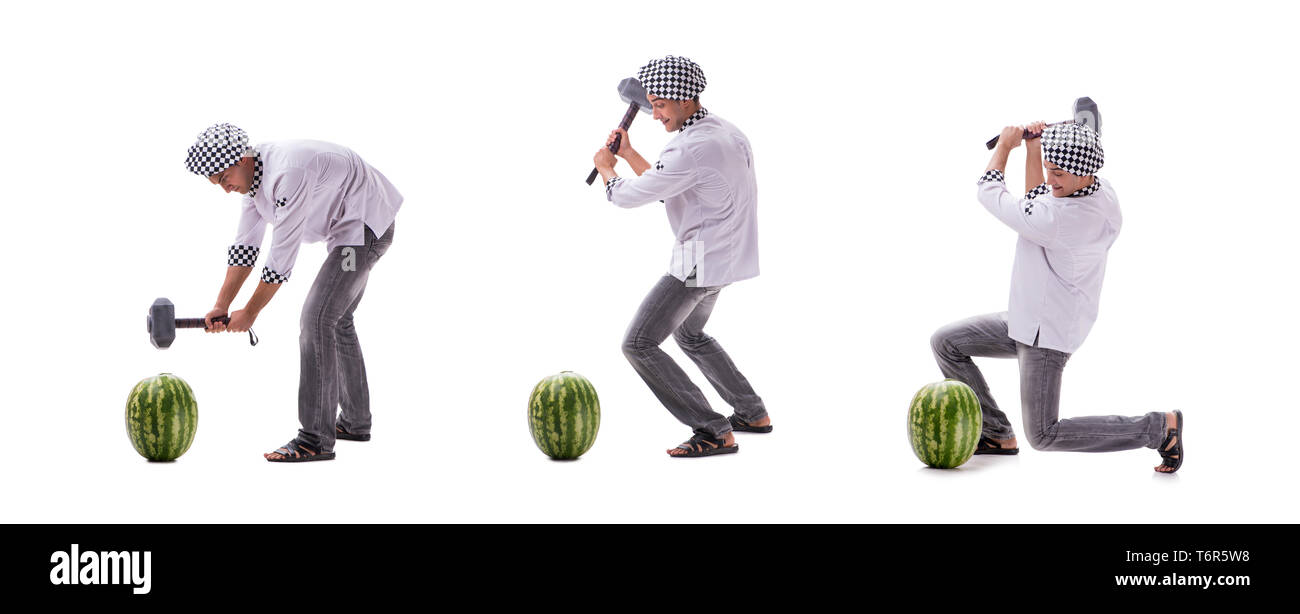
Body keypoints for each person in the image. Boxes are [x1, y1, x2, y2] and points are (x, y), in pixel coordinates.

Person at [929, 120, 1183, 473]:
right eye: (1049, 168)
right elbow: (1038, 199)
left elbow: (990, 193)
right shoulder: (1099, 191)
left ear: (1082, 171)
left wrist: (1005, 147)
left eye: (1059, 171)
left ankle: (1158, 428)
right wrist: (1035, 149)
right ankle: (996, 432)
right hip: (1025, 316)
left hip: (1045, 336)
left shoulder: (1060, 220)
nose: (1051, 179)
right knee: (946, 342)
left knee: (1044, 434)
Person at [184, 123, 402, 462]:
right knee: (337, 319)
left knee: (317, 317)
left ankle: (314, 438)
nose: (225, 189)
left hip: (363, 228)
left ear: (241, 158)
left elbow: (281, 256)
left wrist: (251, 312)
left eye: (224, 178)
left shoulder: (287, 172)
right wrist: (221, 305)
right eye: (217, 184)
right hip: (347, 230)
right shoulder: (253, 187)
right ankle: (355, 422)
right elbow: (245, 248)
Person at [593, 56, 771, 458]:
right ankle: (751, 411)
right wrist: (631, 153)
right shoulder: (725, 132)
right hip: (726, 256)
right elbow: (668, 185)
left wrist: (607, 168)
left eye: (660, 104)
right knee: (690, 334)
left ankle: (712, 429)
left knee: (638, 344)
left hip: (698, 261)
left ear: (686, 99)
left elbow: (626, 196)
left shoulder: (690, 149)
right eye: (651, 104)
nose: (654, 114)